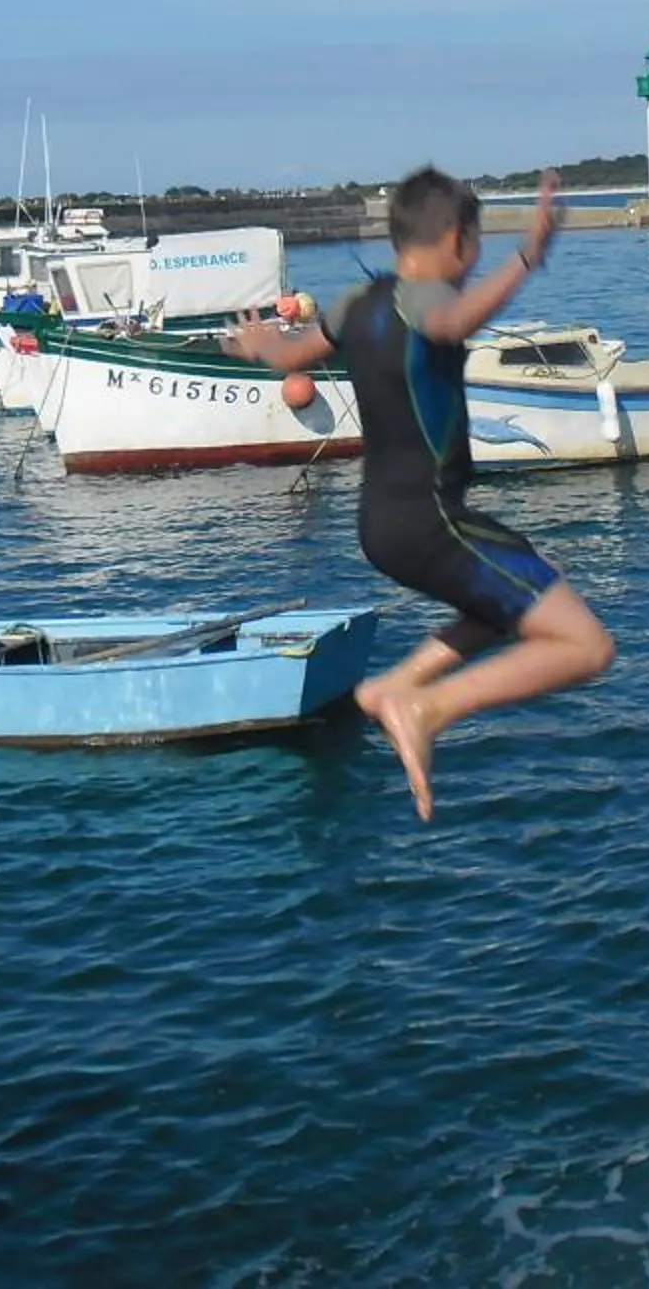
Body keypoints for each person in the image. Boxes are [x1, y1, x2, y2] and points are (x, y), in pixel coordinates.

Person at [223, 165, 614, 821]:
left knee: (528, 592)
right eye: (479, 243)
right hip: (433, 523)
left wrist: (260, 342)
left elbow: (291, 357)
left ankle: (399, 684)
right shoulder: (427, 299)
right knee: (586, 645)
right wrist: (527, 257)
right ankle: (427, 705)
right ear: (458, 238)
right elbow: (452, 319)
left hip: (381, 525)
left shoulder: (357, 303)